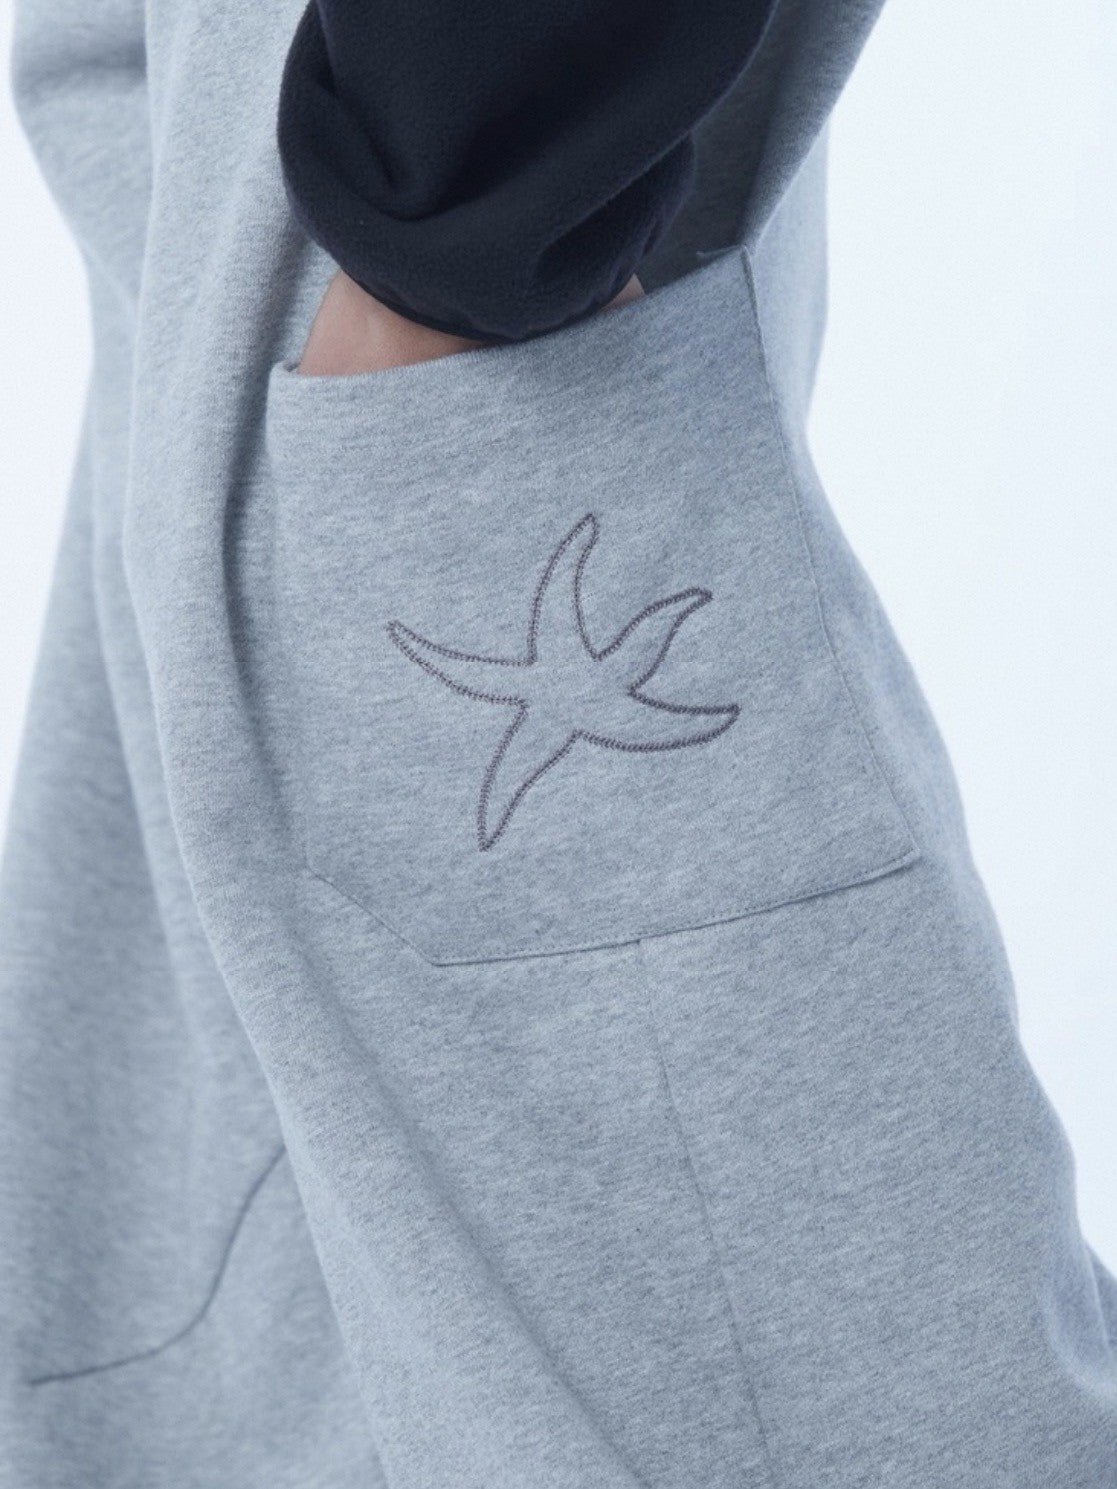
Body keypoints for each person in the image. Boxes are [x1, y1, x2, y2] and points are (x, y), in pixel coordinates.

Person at [2, 1, 1114, 1484]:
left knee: (775, 1387)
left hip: (443, 199)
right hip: (347, 171)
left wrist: (457, 210)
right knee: (254, 1308)